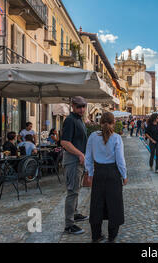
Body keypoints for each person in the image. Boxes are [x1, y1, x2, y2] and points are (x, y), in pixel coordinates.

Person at [85, 112, 127, 243]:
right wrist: (124, 175)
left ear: (100, 122)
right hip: (113, 173)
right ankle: (112, 236)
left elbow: (88, 157)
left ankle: (96, 235)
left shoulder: (92, 136)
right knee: (114, 203)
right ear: (113, 122)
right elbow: (120, 160)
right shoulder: (116, 138)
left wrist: (90, 173)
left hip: (98, 172)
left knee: (96, 203)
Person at [60, 96, 89, 235]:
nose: (82, 109)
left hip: (78, 160)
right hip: (72, 160)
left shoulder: (79, 119)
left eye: (83, 106)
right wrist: (80, 154)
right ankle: (69, 224)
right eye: (79, 106)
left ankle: (75, 213)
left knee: (77, 188)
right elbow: (65, 142)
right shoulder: (70, 120)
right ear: (73, 106)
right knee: (72, 191)